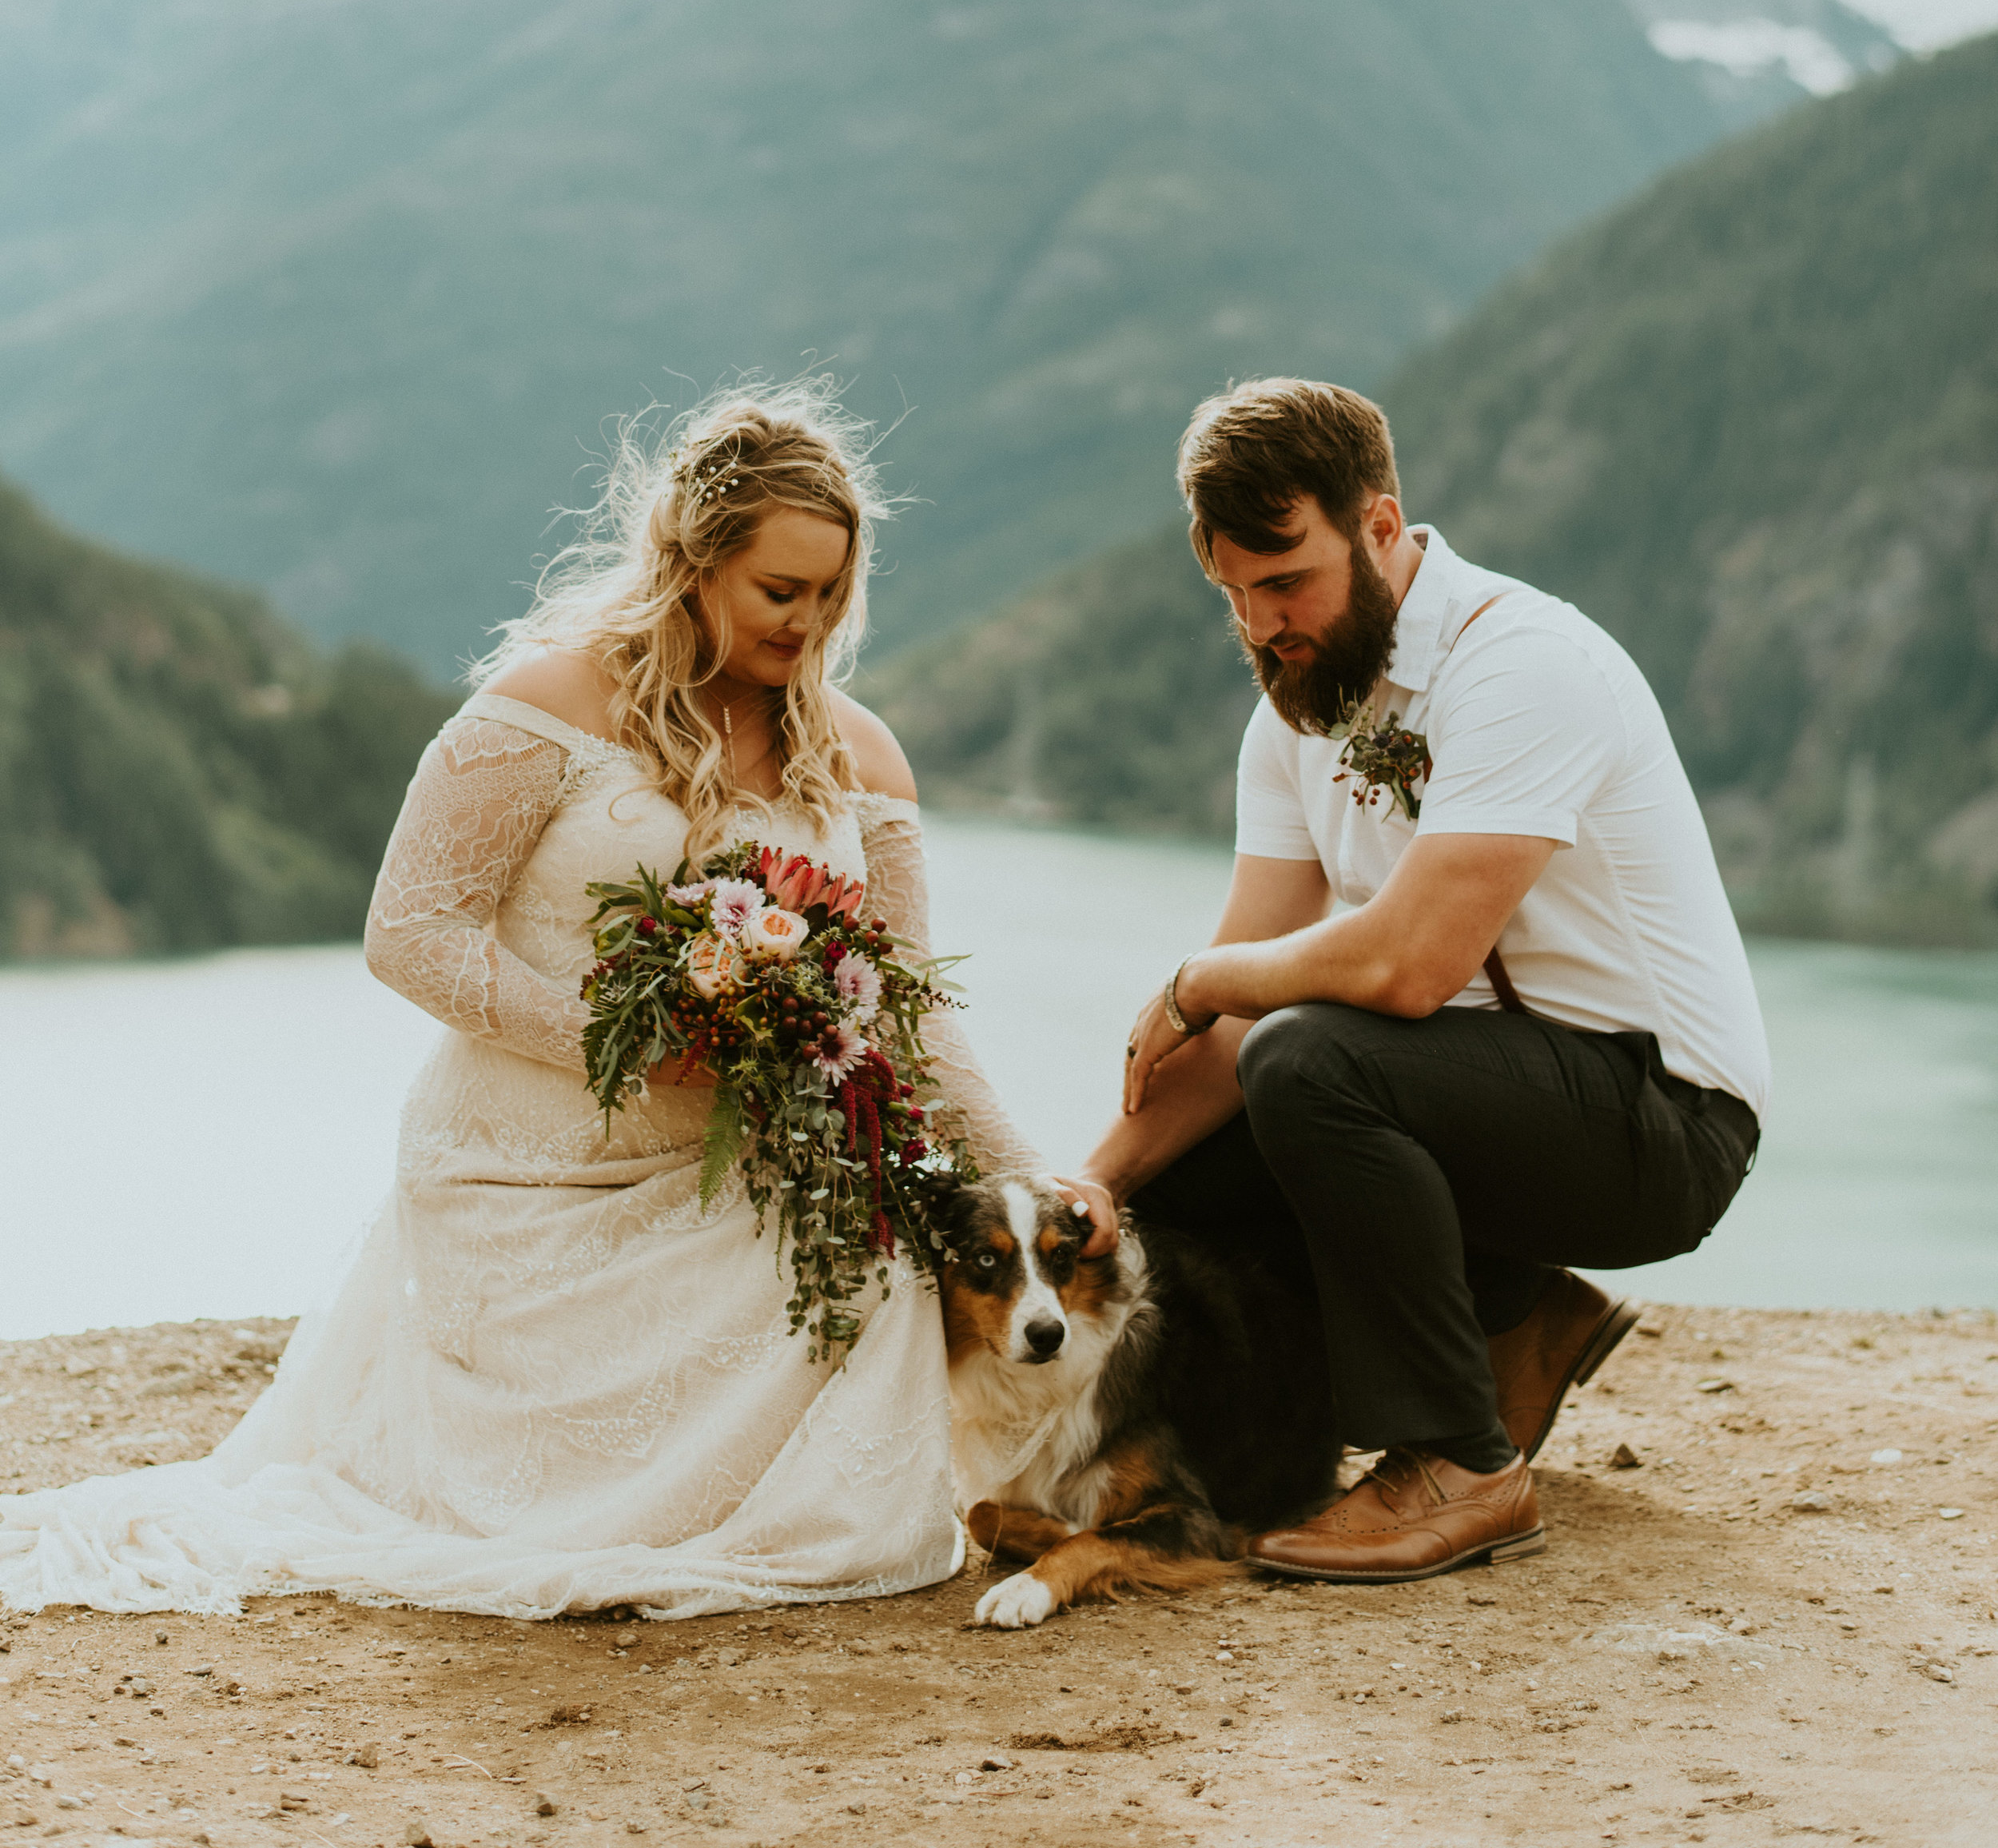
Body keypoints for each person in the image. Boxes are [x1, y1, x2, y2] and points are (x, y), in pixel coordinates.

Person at [0, 388, 1046, 1620]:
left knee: (872, 1282)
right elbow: (410, 934)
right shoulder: (547, 705)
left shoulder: (861, 757)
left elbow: (905, 1013)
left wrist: (1039, 1181)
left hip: (744, 1188)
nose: (808, 622)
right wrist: (633, 1051)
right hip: (525, 1188)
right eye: (780, 591)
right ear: (695, 563)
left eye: (830, 593)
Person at [1065, 376, 1769, 1585]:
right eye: (1236, 594)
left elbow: (1405, 964)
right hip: (1489, 1103)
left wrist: (1204, 975)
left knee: (1309, 1057)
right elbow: (1231, 1026)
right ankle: (1517, 1315)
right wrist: (1090, 1186)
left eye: (1289, 580)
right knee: (1188, 1174)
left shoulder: (1525, 663)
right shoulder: (1291, 721)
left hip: (1662, 1120)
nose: (1264, 623)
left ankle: (1459, 1460)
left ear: (1382, 527)